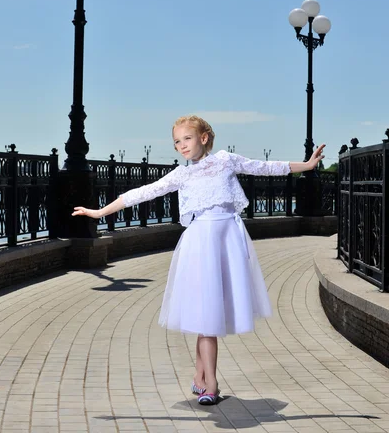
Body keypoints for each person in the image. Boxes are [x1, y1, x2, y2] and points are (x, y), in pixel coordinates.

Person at [72, 115, 325, 405]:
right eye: (177, 141)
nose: (181, 145)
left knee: (209, 315)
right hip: (199, 244)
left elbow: (264, 167)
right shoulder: (182, 174)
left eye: (187, 139)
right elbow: (142, 193)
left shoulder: (225, 160)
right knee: (207, 316)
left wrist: (306, 166)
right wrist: (98, 213)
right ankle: (211, 385)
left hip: (227, 240)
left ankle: (198, 376)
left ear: (204, 138)